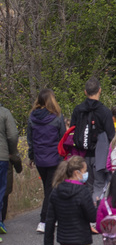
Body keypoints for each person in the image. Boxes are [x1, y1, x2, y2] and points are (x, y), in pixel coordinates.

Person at [44, 156, 96, 245]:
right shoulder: (83, 191)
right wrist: (97, 206)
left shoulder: (56, 191)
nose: (86, 174)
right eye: (84, 171)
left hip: (64, 241)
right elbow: (92, 217)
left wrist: (48, 243)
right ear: (76, 172)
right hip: (80, 241)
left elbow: (50, 218)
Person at [69, 78, 116, 201]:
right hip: (99, 154)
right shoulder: (104, 111)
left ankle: (87, 211)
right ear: (100, 90)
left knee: (87, 184)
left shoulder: (78, 110)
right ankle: (95, 212)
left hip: (81, 153)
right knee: (99, 184)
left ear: (85, 92)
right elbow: (111, 135)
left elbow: (72, 131)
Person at [27, 88, 66, 234]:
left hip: (40, 158)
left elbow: (30, 140)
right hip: (54, 157)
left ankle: (52, 216)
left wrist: (31, 157)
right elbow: (62, 136)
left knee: (47, 187)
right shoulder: (57, 117)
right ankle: (44, 220)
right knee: (51, 189)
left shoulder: (32, 117)